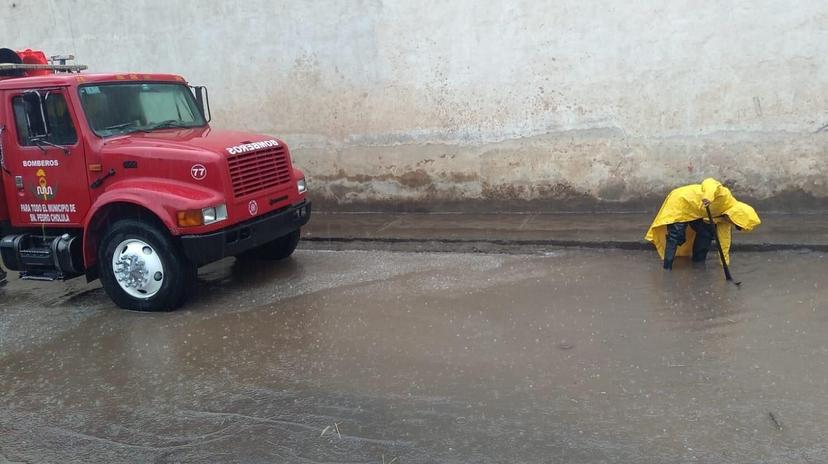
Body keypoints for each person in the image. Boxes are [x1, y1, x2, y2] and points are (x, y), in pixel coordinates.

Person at [645, 178, 761, 269]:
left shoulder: (725, 220)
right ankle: (667, 267)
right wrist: (708, 197)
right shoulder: (725, 196)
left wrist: (724, 264)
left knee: (706, 234)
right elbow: (710, 182)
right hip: (682, 202)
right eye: (737, 224)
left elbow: (724, 242)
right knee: (676, 235)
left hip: (697, 213)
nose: (733, 225)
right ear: (737, 216)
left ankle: (698, 263)